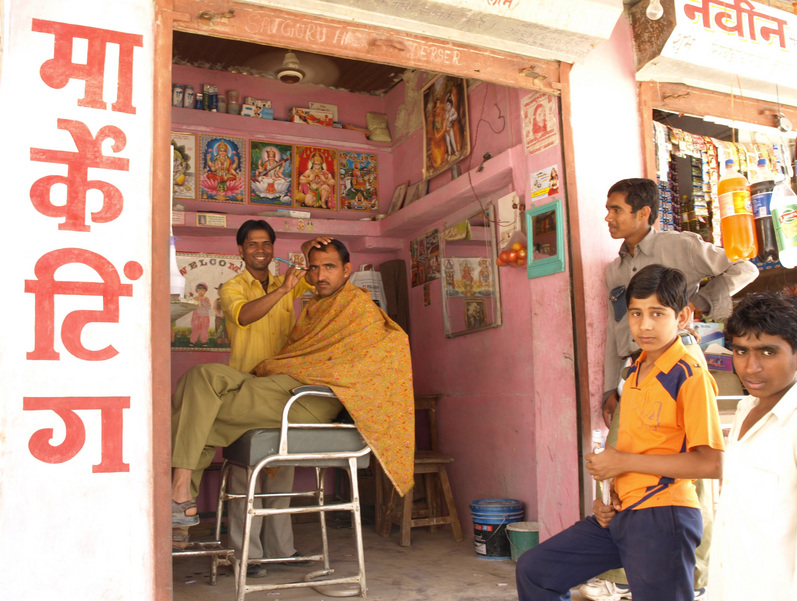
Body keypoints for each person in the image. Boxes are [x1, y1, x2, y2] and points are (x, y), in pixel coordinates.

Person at [171, 240, 415, 550]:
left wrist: (336, 380)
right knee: (200, 376)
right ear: (240, 251)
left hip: (307, 398)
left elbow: (390, 348)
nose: (321, 274)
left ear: (346, 270)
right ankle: (182, 496)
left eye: (329, 267)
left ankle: (179, 498)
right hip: (273, 382)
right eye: (314, 267)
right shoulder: (314, 304)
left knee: (200, 411)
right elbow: (300, 350)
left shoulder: (359, 307)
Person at [586, 178, 758, 601]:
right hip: (634, 374)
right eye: (608, 210)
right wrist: (612, 386)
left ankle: (693, 579)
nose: (608, 217)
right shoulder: (614, 269)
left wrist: (699, 305)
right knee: (631, 465)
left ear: (644, 212)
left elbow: (745, 268)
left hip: (675, 363)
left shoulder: (678, 247)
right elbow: (616, 331)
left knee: (688, 476)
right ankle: (635, 574)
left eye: (616, 209)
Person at [516, 264, 725, 601]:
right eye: (636, 313)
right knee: (535, 570)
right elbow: (634, 445)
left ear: (683, 316)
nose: (645, 325)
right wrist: (609, 494)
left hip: (664, 515)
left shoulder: (689, 375)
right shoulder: (635, 371)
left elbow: (711, 464)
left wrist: (621, 462)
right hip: (620, 513)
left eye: (657, 313)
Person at [215, 220, 327, 577]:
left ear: (273, 248)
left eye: (266, 243)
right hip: (246, 389)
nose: (260, 249)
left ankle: (282, 551)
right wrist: (283, 291)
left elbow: (314, 272)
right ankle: (246, 555)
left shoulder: (286, 281)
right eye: (252, 244)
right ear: (241, 250)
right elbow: (245, 316)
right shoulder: (231, 286)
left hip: (282, 389)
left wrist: (310, 244)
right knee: (245, 478)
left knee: (281, 473)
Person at [707, 292, 797, 601]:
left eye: (768, 352)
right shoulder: (746, 408)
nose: (751, 366)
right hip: (731, 585)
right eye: (741, 351)